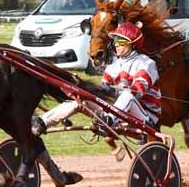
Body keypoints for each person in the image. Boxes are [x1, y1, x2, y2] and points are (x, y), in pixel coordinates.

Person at [31, 21, 161, 135]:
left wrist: (112, 90)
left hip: (144, 116)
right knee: (81, 99)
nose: (116, 45)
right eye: (115, 41)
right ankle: (42, 122)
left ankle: (108, 121)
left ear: (132, 44)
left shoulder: (146, 63)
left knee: (127, 96)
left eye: (121, 42)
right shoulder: (113, 65)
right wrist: (92, 89)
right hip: (118, 114)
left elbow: (137, 92)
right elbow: (102, 92)